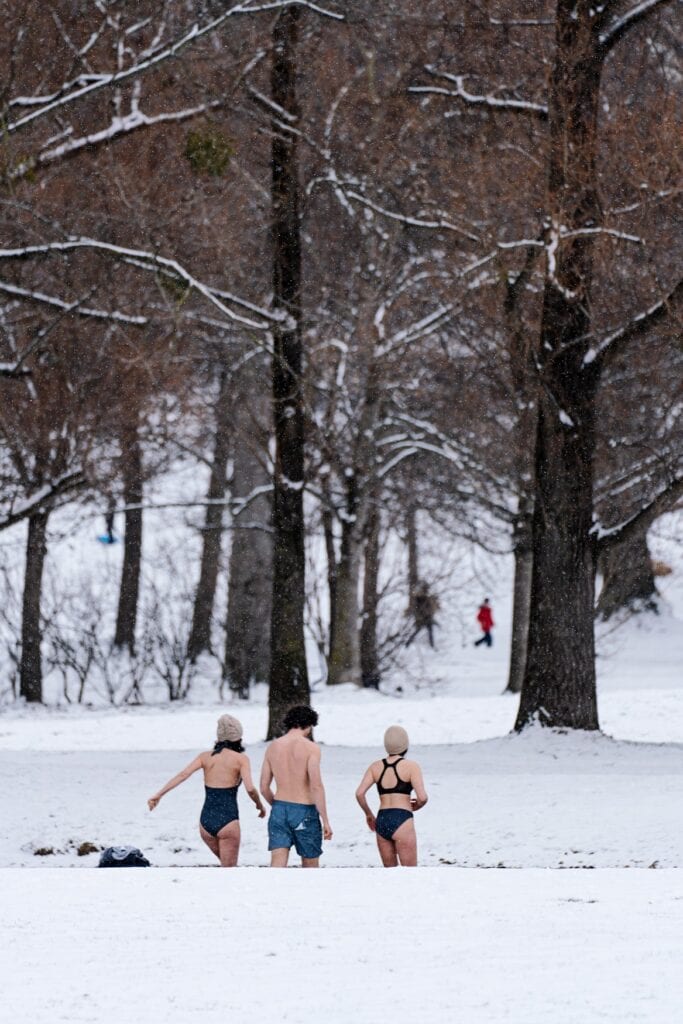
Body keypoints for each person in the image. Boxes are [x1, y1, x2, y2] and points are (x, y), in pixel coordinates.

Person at [147, 714, 265, 867]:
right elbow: (250, 789)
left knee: (225, 867)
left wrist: (158, 795)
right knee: (229, 871)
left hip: (205, 822)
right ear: (238, 737)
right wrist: (259, 805)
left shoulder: (205, 757)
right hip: (228, 820)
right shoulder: (241, 759)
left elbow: (183, 775)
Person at [259, 705, 333, 868]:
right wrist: (325, 820)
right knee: (310, 864)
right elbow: (316, 786)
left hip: (279, 809)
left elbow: (264, 787)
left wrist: (277, 806)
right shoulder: (311, 748)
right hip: (304, 811)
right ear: (309, 724)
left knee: (277, 866)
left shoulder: (273, 747)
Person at [355, 725, 428, 868]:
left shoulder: (375, 767)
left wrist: (369, 814)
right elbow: (423, 797)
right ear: (405, 744)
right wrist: (417, 806)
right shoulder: (412, 766)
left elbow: (359, 793)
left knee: (389, 874)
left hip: (382, 819)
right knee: (410, 873)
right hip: (403, 819)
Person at [406, 581, 440, 648]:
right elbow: (418, 609)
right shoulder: (420, 598)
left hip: (426, 617)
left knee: (429, 631)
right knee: (418, 631)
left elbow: (428, 608)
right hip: (422, 618)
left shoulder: (424, 597)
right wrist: (421, 616)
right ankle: (408, 643)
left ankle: (432, 645)